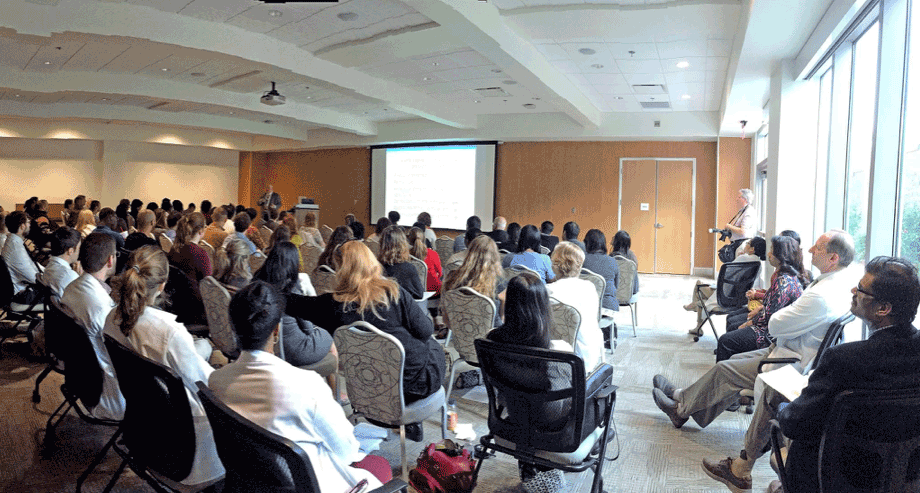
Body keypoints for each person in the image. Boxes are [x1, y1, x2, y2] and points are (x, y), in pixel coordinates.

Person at [701, 256, 920, 493]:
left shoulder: (844, 359)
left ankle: (743, 469)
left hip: (838, 473)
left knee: (777, 398)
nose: (853, 290)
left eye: (861, 288)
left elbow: (797, 424)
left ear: (883, 309)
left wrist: (785, 409)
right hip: (908, 472)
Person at [652, 230, 859, 432]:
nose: (811, 249)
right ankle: (682, 401)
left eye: (819, 247)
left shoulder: (820, 294)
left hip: (788, 361)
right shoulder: (837, 286)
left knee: (725, 369)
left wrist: (769, 315)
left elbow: (775, 324)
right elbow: (780, 315)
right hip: (787, 349)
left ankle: (680, 407)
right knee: (728, 364)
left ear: (833, 257)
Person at [208, 281, 389, 493]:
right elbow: (347, 452)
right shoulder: (306, 385)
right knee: (381, 467)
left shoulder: (216, 381)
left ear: (232, 326)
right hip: (313, 485)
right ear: (276, 331)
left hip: (253, 485)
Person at [103, 246, 223, 488]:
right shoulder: (169, 333)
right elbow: (207, 386)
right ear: (161, 285)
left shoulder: (110, 318)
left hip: (142, 428)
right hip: (183, 446)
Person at [285, 241, 444, 402]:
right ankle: (409, 420)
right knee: (431, 344)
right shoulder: (394, 292)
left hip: (367, 386)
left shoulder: (330, 306)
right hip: (416, 384)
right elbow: (425, 331)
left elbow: (290, 302)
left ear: (340, 269)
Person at [487, 271, 574, 492]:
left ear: (511, 305)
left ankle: (531, 471)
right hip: (552, 424)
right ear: (543, 307)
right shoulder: (560, 354)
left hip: (514, 416)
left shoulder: (491, 341)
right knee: (598, 388)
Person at [60, 233, 123, 420]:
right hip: (105, 393)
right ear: (110, 260)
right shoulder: (102, 310)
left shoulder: (72, 287)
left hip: (80, 379)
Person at [715, 236, 807, 361]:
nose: (768, 254)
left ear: (781, 256)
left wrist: (748, 323)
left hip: (770, 334)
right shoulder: (785, 276)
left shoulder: (784, 281)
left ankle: (726, 374)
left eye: (772, 251)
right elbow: (771, 304)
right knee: (733, 324)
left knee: (726, 340)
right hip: (770, 324)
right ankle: (732, 364)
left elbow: (770, 316)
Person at [253, 242, 335, 368]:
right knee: (329, 335)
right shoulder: (291, 290)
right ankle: (332, 385)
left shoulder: (257, 283)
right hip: (295, 351)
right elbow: (308, 329)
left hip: (265, 346)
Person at [546, 242, 604, 371]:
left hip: (557, 360)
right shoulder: (590, 287)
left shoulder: (548, 291)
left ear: (555, 264)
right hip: (589, 356)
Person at [443, 235, 506, 327]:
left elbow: (446, 317)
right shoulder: (499, 281)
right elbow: (503, 316)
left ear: (469, 253)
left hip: (460, 332)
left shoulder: (454, 277)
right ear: (494, 256)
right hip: (490, 335)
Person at [2, 211, 41, 305]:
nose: (29, 225)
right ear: (22, 226)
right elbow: (34, 278)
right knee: (57, 293)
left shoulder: (14, 242)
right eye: (28, 222)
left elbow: (32, 266)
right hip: (21, 295)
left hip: (22, 289)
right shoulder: (16, 248)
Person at [378, 226, 424, 300]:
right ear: (403, 245)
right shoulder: (409, 268)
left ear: (381, 244)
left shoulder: (376, 267)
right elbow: (419, 294)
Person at [581, 229, 619, 313]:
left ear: (586, 243)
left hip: (586, 308)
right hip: (608, 308)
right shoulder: (612, 261)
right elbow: (616, 287)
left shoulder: (581, 261)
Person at [41, 227, 81, 303]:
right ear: (71, 251)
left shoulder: (50, 265)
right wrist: (80, 279)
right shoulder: (69, 275)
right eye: (79, 248)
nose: (79, 252)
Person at [723, 189, 758, 257]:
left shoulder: (749, 212)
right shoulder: (743, 211)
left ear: (744, 199)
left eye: (739, 197)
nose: (736, 199)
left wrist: (729, 226)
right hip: (737, 244)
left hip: (742, 244)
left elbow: (743, 231)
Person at [408, 226, 441, 295]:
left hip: (413, 292)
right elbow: (440, 273)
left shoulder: (405, 255)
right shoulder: (433, 254)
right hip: (433, 291)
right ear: (424, 239)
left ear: (409, 240)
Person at [610, 230, 639, 295]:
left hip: (613, 294)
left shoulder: (611, 257)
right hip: (630, 294)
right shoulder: (632, 257)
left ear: (615, 242)